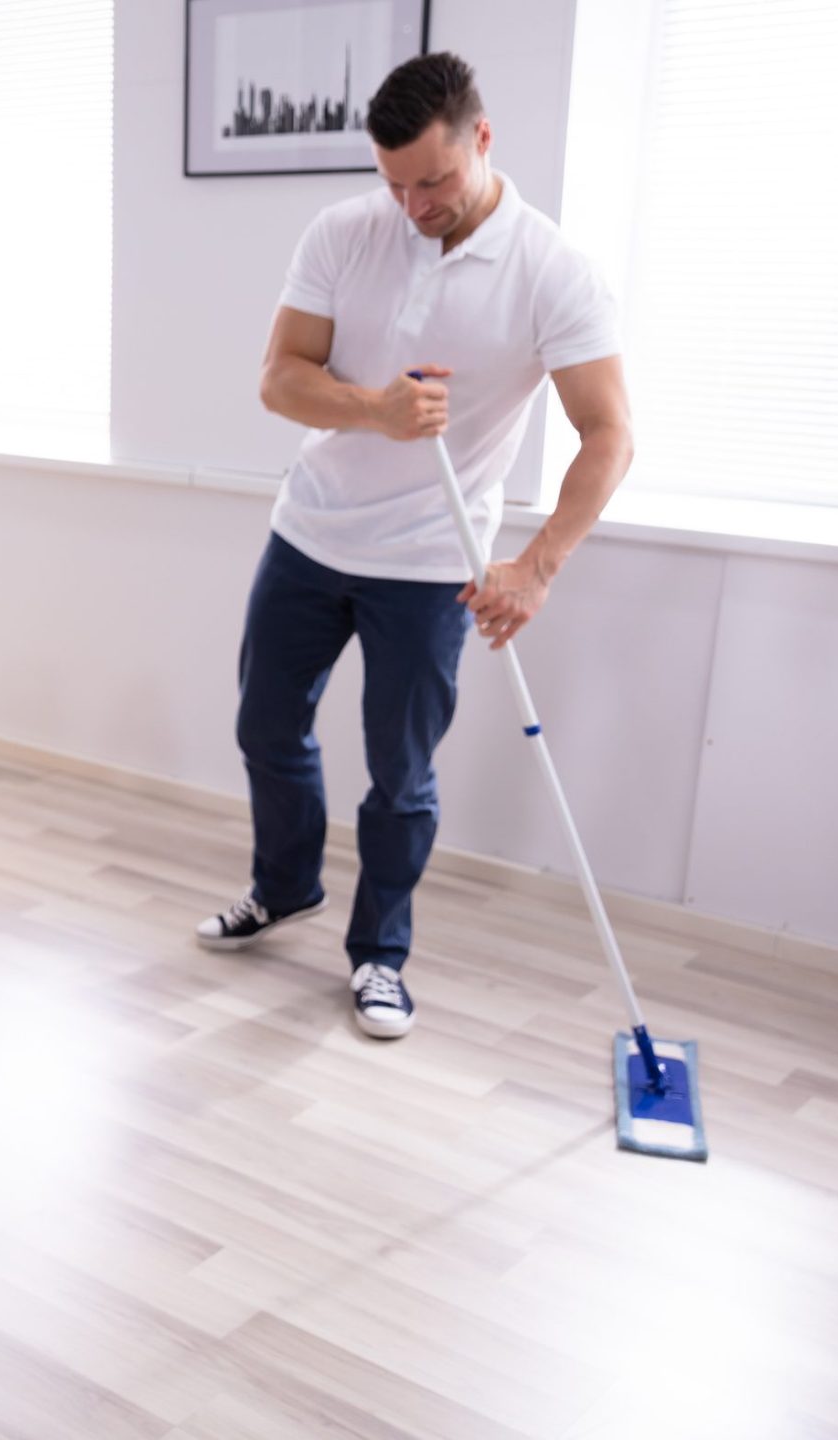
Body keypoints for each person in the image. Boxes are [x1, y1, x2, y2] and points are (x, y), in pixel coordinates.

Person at [195, 53, 635, 1039]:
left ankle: (378, 955)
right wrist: (374, 409)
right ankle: (284, 886)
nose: (412, 203)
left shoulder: (550, 271)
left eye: (431, 181)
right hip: (309, 534)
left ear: (481, 140)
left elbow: (608, 434)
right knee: (267, 726)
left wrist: (535, 566)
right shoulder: (346, 232)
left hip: (431, 563)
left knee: (399, 775)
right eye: (393, 181)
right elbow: (278, 379)